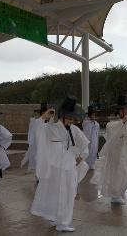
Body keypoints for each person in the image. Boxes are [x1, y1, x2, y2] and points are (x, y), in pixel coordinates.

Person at [30, 96, 89, 232]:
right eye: (68, 117)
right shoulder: (51, 128)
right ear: (62, 116)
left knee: (68, 194)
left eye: (72, 118)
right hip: (55, 168)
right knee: (54, 193)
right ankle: (55, 217)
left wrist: (81, 156)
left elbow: (85, 144)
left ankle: (63, 222)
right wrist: (43, 117)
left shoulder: (74, 129)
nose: (71, 120)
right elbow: (37, 131)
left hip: (69, 168)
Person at [92, 95, 127, 205]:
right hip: (116, 152)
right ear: (121, 111)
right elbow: (111, 131)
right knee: (116, 172)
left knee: (125, 172)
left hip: (124, 151)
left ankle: (120, 191)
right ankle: (115, 195)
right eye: (126, 109)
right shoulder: (112, 123)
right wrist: (122, 122)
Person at [21, 103, 48, 170]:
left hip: (47, 147)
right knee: (38, 164)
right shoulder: (36, 122)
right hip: (38, 146)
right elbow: (32, 135)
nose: (46, 115)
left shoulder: (49, 124)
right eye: (45, 113)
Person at [82, 105, 100, 170]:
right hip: (89, 142)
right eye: (92, 114)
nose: (94, 116)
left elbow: (97, 134)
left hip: (94, 142)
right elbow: (86, 134)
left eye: (94, 114)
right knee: (88, 154)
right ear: (89, 115)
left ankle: (92, 164)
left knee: (93, 152)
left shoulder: (96, 124)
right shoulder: (86, 124)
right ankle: (87, 165)